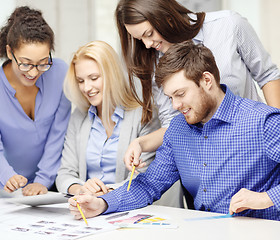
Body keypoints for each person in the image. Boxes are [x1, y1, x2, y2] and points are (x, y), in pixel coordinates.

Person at [68, 41, 280, 221]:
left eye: (180, 94)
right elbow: (149, 184)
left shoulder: (262, 121)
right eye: (170, 97)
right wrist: (102, 204)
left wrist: (266, 198)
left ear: (207, 81)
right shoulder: (178, 130)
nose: (175, 105)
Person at [115, 0, 280, 172]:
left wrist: (274, 130)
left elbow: (268, 76)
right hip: (203, 165)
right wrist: (140, 143)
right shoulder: (154, 60)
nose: (147, 44)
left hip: (252, 150)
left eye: (148, 34)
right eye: (140, 39)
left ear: (165, 16)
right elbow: (172, 123)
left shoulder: (228, 25)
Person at [0, 6, 71, 196]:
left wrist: (43, 180)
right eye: (26, 63)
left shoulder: (61, 73)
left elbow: (58, 135)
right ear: (9, 51)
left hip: (49, 182)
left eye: (43, 63)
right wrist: (8, 177)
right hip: (3, 185)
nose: (34, 72)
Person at [55, 41, 160, 196]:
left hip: (128, 208)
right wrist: (81, 190)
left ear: (112, 75)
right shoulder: (79, 116)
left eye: (94, 78)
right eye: (81, 81)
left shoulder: (144, 114)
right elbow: (65, 173)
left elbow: (144, 176)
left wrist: (105, 194)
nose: (86, 88)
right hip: (88, 206)